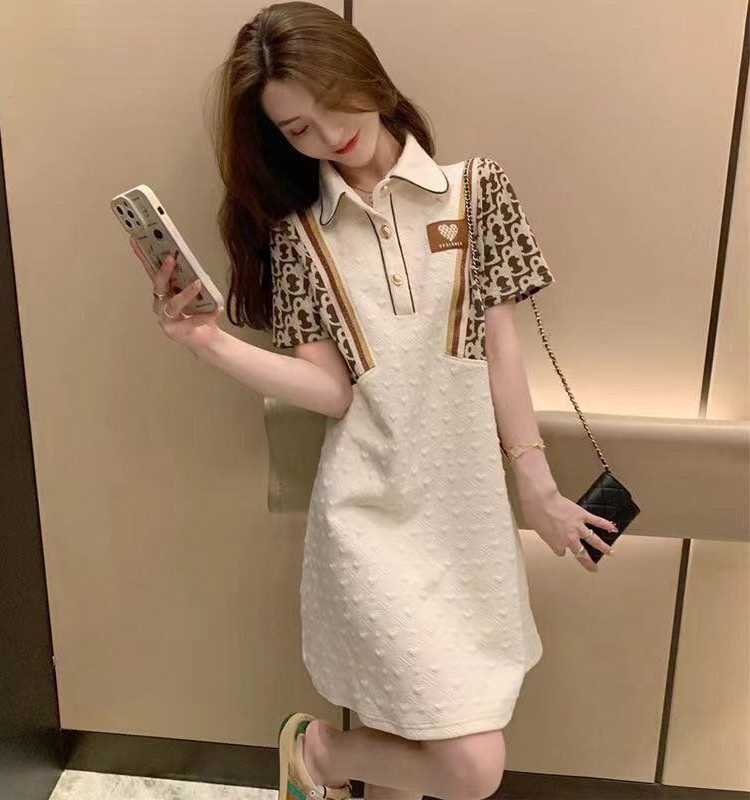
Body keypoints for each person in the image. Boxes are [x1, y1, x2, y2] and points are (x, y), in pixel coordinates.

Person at [129, 3, 619, 799]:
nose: (328, 135)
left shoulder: (477, 191)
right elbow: (332, 392)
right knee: (471, 767)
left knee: (416, 736)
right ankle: (320, 755)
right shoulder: (301, 235)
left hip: (466, 526)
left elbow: (500, 348)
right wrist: (209, 343)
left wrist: (537, 487)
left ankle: (328, 762)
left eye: (332, 102)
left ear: (367, 76)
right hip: (368, 522)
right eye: (297, 129)